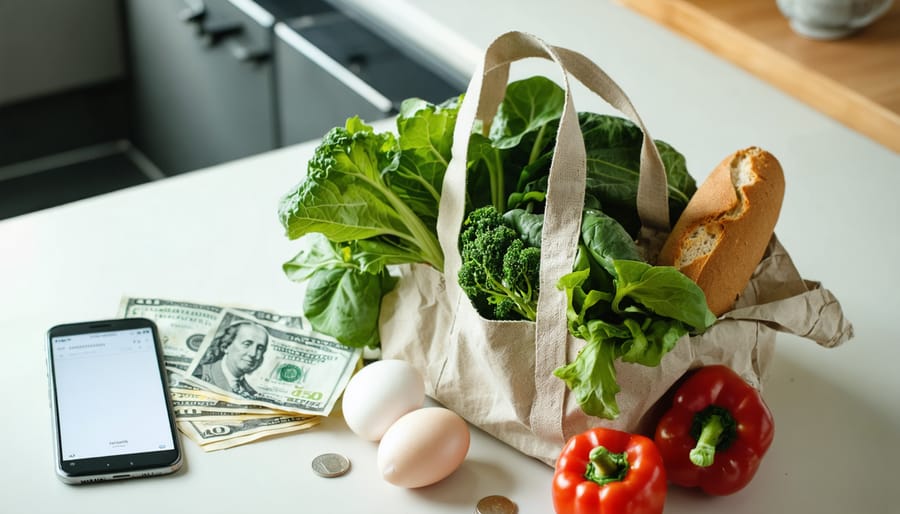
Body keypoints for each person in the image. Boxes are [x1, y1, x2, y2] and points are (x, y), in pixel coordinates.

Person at [192, 321, 268, 399]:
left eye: (260, 348)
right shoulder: (197, 374)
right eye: (247, 344)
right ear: (226, 346)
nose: (253, 353)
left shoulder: (252, 394)